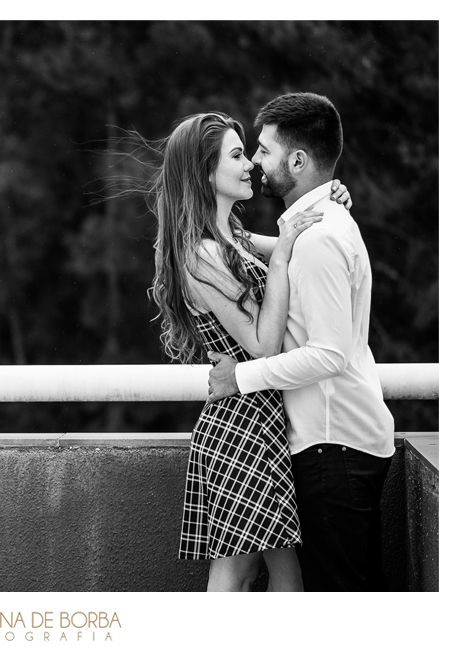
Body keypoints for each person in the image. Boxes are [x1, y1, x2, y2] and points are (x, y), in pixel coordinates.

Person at [140, 111, 351, 591]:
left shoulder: (229, 238)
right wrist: (285, 252)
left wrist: (327, 197)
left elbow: (301, 244)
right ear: (204, 172)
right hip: (240, 425)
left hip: (259, 417)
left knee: (283, 569)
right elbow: (263, 343)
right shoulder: (201, 253)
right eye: (237, 155)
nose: (250, 165)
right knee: (235, 573)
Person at [207, 92, 395, 592]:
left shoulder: (318, 238)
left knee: (336, 610)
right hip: (339, 444)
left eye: (264, 151)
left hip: (334, 450)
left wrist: (240, 375)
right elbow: (242, 246)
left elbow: (329, 354)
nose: (255, 162)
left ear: (297, 160)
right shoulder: (313, 228)